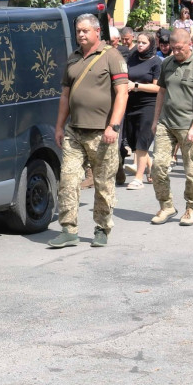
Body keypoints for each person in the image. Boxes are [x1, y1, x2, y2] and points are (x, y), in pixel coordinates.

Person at [48, 14, 129, 249]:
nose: (81, 35)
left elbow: (122, 93)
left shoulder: (111, 56)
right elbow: (65, 95)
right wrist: (59, 126)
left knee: (103, 183)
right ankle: (68, 229)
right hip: (75, 130)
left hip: (102, 133)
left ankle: (102, 227)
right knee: (68, 179)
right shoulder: (73, 59)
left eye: (85, 31)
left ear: (97, 32)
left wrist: (113, 125)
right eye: (78, 31)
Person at [149, 28, 193, 227]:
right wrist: (156, 119)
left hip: (189, 126)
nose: (175, 52)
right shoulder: (167, 63)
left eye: (179, 48)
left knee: (192, 170)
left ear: (189, 45)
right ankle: (166, 205)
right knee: (158, 166)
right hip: (166, 124)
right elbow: (161, 92)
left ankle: (191, 208)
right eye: (173, 48)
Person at [122, 31, 161, 190]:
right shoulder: (132, 57)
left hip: (149, 105)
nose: (139, 45)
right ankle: (150, 166)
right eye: (138, 42)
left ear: (151, 44)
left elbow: (158, 87)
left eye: (144, 43)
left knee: (142, 141)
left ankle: (138, 179)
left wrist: (136, 86)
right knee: (133, 140)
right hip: (131, 103)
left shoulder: (156, 62)